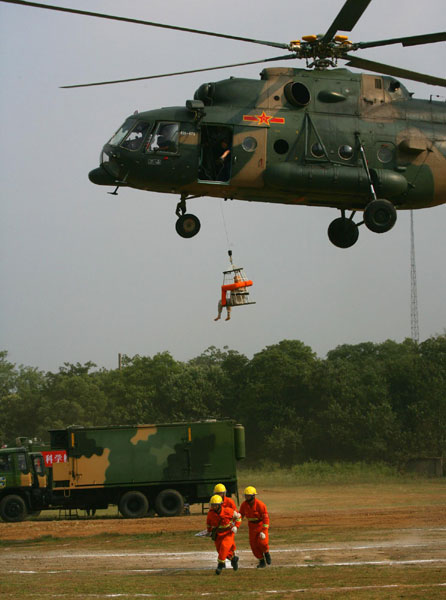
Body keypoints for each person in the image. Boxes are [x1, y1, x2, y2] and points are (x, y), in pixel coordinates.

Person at [206, 494, 241, 575]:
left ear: (219, 505)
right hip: (218, 534)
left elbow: (238, 517)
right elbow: (209, 524)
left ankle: (220, 566)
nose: (213, 507)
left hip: (228, 533)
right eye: (212, 505)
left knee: (224, 547)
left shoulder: (228, 511)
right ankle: (233, 559)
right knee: (220, 550)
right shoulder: (210, 514)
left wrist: (236, 526)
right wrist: (209, 531)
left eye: (215, 505)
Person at [239, 486, 271, 568]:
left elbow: (266, 519)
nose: (246, 497)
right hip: (252, 527)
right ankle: (261, 561)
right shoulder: (244, 505)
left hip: (260, 526)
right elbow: (240, 516)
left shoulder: (260, 505)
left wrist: (264, 531)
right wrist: (236, 524)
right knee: (253, 545)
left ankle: (266, 553)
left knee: (262, 542)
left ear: (253, 496)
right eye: (245, 495)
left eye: (248, 496)